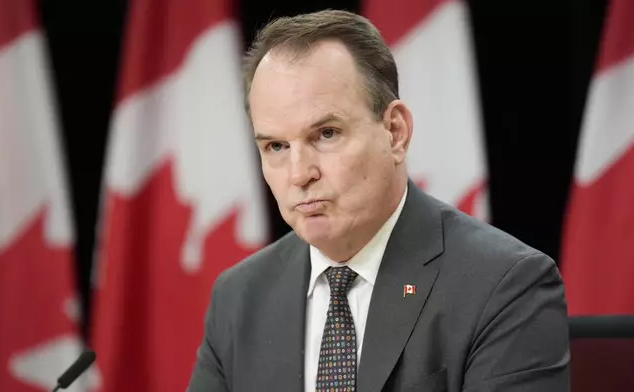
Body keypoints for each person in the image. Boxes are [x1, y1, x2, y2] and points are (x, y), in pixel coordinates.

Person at [187, 9, 569, 392]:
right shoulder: (238, 298)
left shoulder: (504, 287)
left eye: (326, 134)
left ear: (395, 132)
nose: (299, 173)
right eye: (276, 146)